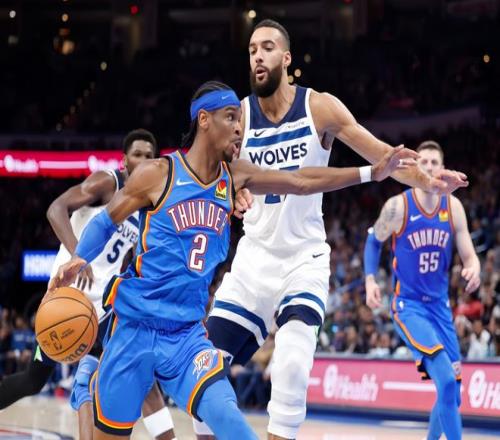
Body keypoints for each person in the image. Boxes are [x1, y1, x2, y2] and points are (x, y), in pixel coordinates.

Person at [49, 79, 418, 440]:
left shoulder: (236, 176)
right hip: (134, 329)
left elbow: (301, 181)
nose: (240, 127)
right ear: (204, 120)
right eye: (230, 118)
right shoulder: (157, 174)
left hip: (186, 336)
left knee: (229, 419)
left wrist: (371, 172)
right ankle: (92, 387)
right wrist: (79, 257)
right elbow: (105, 221)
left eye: (240, 120)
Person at [194, 19, 468, 440]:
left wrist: (429, 182)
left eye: (267, 48)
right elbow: (217, 173)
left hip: (303, 260)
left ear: (287, 58)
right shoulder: (240, 118)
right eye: (251, 50)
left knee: (290, 368)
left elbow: (384, 158)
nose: (258, 57)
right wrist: (231, 191)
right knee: (204, 370)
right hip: (253, 260)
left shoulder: (318, 107)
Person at [0, 129, 177, 440]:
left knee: (141, 377)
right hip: (66, 300)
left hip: (104, 307)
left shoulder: (148, 205)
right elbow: (55, 209)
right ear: (124, 161)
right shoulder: (108, 183)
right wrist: (77, 255)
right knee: (33, 380)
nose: (144, 160)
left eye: (150, 156)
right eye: (137, 154)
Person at [363, 140, 480, 440]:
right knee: (446, 380)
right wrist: (370, 279)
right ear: (414, 167)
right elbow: (374, 241)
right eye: (423, 162)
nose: (429, 167)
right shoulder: (398, 206)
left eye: (434, 162)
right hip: (409, 306)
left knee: (452, 394)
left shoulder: (453, 206)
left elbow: (469, 255)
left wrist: (474, 268)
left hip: (440, 308)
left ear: (443, 168)